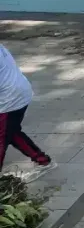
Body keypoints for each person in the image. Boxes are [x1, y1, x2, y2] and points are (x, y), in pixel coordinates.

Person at [0, 43, 53, 178]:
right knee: (11, 132)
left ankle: (42, 160)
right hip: (18, 91)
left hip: (9, 100)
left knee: (3, 136)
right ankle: (42, 160)